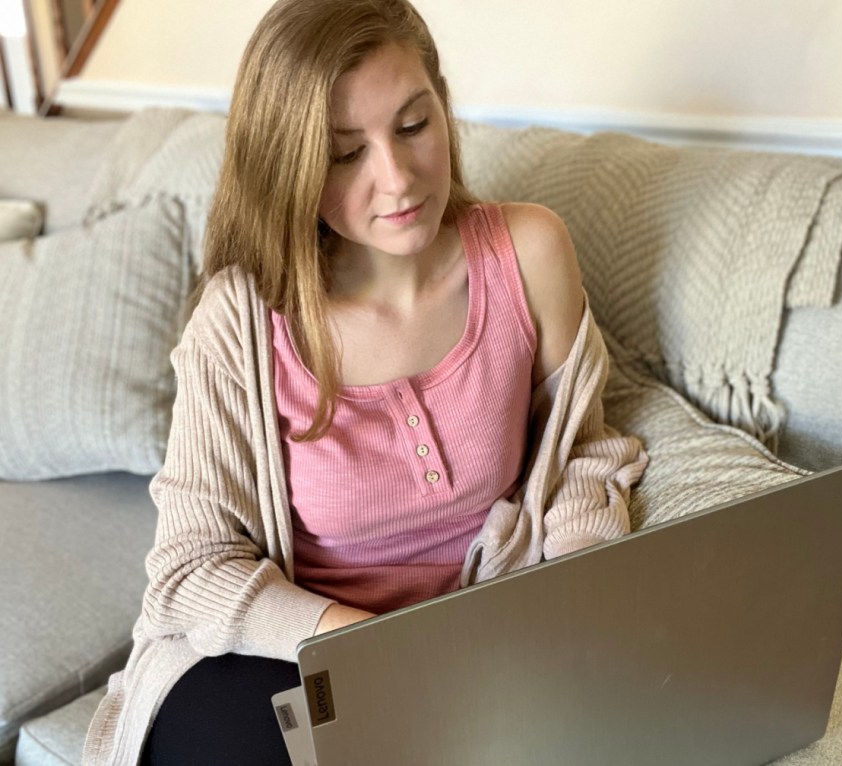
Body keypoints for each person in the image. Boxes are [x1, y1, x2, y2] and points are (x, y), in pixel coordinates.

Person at [83, 0, 647, 763]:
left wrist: (578, 592)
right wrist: (372, 643)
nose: (398, 178)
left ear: (443, 107)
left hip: (473, 649)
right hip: (283, 650)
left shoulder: (529, 252)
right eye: (347, 153)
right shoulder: (243, 318)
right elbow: (193, 569)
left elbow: (579, 449)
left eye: (414, 126)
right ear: (293, 167)